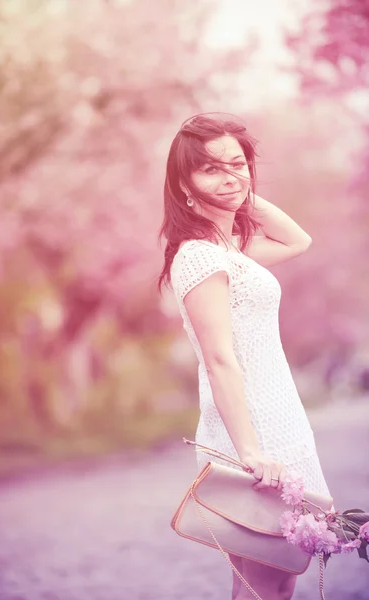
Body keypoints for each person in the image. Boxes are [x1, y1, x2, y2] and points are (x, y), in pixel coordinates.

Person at [157, 113, 333, 600]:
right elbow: (219, 358)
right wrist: (251, 452)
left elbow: (299, 240)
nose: (230, 176)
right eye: (211, 168)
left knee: (280, 577)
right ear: (182, 182)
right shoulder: (197, 256)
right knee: (260, 583)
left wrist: (235, 188)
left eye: (238, 164)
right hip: (251, 430)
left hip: (282, 422)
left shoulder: (231, 249)